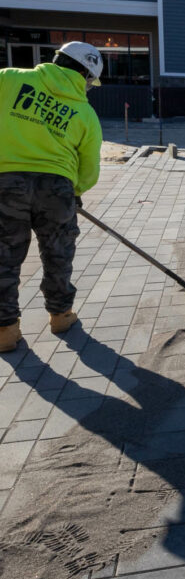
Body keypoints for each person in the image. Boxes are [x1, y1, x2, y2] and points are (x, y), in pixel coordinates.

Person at [0, 42, 104, 352]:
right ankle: (60, 315)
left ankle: (5, 330)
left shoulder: (8, 79)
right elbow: (89, 168)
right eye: (89, 81)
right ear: (84, 73)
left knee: (4, 258)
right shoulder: (85, 113)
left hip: (6, 182)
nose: (88, 87)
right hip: (57, 189)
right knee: (58, 254)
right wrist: (75, 193)